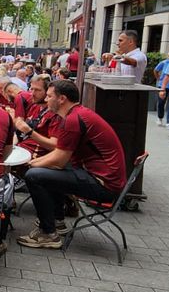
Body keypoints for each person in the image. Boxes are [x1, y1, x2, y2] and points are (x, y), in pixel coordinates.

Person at [18, 79, 126, 250]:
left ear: (62, 99)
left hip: (103, 184)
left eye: (49, 96)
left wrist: (30, 165)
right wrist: (34, 162)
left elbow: (60, 159)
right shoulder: (78, 114)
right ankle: (57, 221)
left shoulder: (72, 120)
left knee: (34, 176)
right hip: (106, 179)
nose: (46, 100)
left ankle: (48, 234)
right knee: (42, 170)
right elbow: (60, 154)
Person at [153, 48, 169, 127]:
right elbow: (156, 70)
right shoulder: (164, 63)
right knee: (161, 103)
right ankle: (160, 117)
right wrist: (159, 78)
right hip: (163, 86)